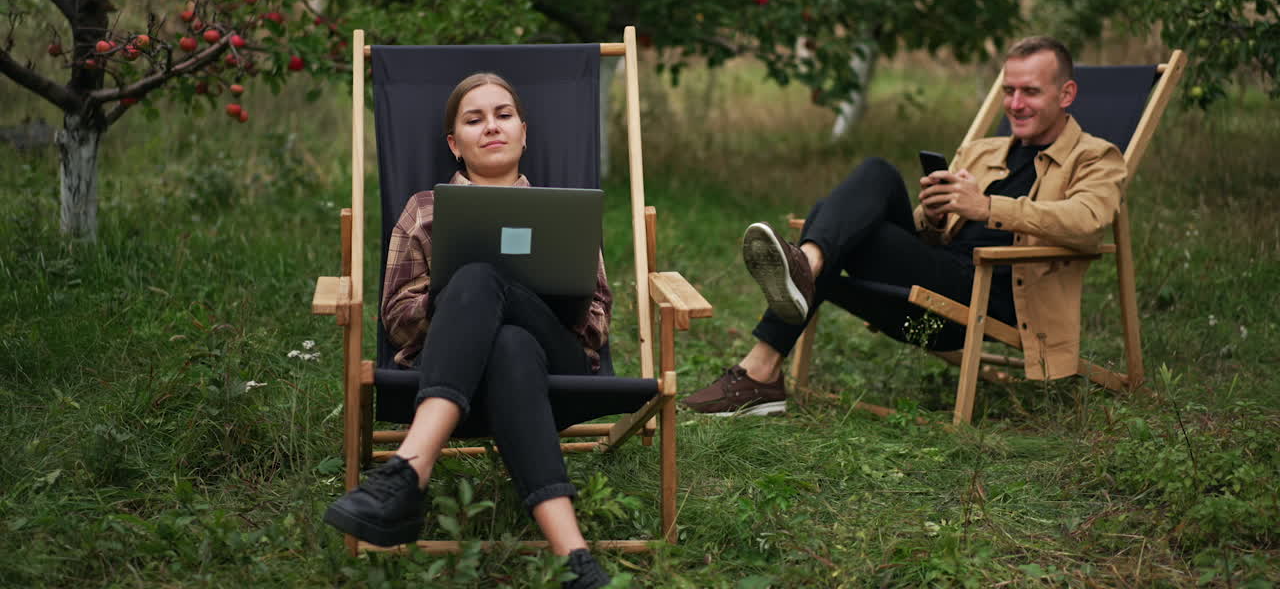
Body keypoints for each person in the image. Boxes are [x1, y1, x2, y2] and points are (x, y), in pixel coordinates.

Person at [682, 36, 1127, 416]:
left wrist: (989, 206)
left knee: (839, 222)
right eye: (1008, 90)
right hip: (934, 287)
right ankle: (807, 267)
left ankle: (766, 357)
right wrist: (933, 217)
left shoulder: (1096, 157)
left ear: (1066, 94)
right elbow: (936, 230)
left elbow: (1088, 223)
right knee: (877, 174)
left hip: (985, 303)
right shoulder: (983, 149)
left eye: (1029, 91)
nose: (1014, 104)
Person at [323, 73, 613, 589]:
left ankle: (408, 471)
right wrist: (459, 305)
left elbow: (595, 320)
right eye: (474, 119)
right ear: (455, 145)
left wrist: (525, 301)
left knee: (484, 281)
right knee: (505, 337)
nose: (492, 127)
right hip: (455, 373)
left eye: (503, 115)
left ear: (525, 131)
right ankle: (577, 561)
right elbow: (396, 317)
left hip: (560, 378)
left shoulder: (563, 213)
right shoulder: (424, 209)